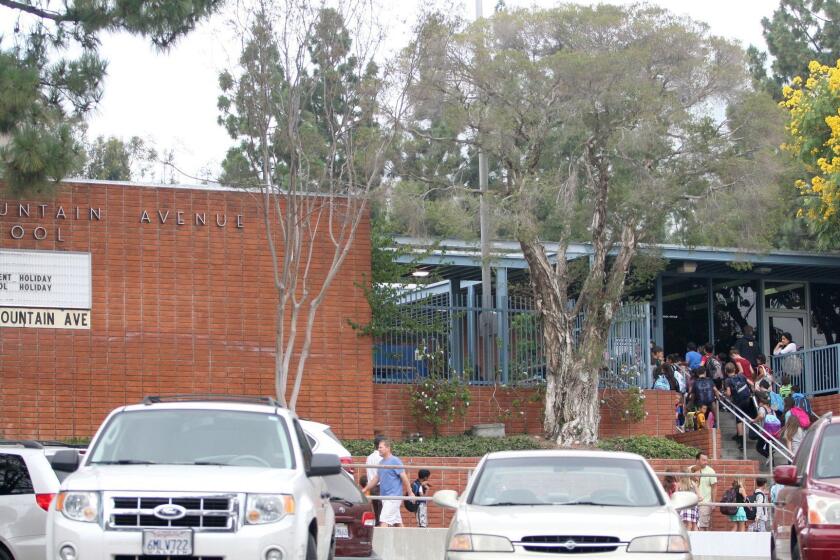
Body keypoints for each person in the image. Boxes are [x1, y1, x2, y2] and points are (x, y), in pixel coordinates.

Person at [362, 438, 414, 527]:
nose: (378, 449)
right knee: (398, 522)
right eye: (378, 447)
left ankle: (381, 540)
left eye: (380, 447)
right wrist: (365, 489)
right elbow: (376, 479)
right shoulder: (381, 462)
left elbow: (404, 477)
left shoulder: (395, 461)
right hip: (385, 497)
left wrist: (410, 492)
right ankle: (405, 540)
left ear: (387, 448)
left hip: (393, 497)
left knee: (383, 520)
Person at [724, 362, 755, 441]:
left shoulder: (727, 380)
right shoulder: (741, 375)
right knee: (752, 416)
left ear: (725, 371)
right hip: (748, 399)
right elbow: (751, 383)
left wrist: (724, 393)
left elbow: (728, 393)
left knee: (739, 419)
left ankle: (740, 439)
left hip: (738, 402)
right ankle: (753, 434)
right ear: (734, 369)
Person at [694, 453, 717, 531]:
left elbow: (714, 487)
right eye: (703, 460)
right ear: (697, 460)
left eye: (706, 460)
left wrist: (713, 503)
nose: (706, 462)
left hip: (705, 503)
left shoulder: (711, 471)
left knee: (703, 525)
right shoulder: (690, 470)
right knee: (692, 525)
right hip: (691, 503)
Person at [365, 435, 384, 523]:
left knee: (376, 511)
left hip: (371, 487)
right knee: (382, 513)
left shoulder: (369, 457)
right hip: (380, 486)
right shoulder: (381, 458)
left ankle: (377, 528)